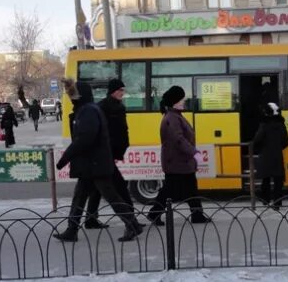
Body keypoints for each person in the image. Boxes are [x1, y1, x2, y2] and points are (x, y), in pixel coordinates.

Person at [53, 79, 142, 242]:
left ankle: (133, 225)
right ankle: (71, 230)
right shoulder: (86, 109)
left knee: (112, 197)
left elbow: (85, 139)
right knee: (79, 197)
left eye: (72, 94)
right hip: (91, 164)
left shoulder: (88, 111)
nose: (70, 97)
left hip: (95, 164)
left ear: (80, 95)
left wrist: (65, 158)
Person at [84, 79, 144, 229]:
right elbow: (102, 132)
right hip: (105, 153)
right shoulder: (102, 107)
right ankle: (131, 221)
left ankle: (90, 220)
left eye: (123, 90)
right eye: (120, 90)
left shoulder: (119, 106)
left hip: (110, 153)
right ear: (113, 91)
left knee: (95, 189)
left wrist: (120, 149)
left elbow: (122, 131)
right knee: (120, 188)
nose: (122, 93)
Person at [147, 86, 211, 225]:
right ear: (174, 101)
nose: (184, 101)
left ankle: (196, 215)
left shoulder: (175, 116)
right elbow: (179, 140)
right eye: (182, 99)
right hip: (176, 162)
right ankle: (155, 213)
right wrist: (195, 154)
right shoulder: (172, 118)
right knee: (172, 190)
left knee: (188, 188)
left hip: (180, 161)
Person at [253, 102, 288, 210]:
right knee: (278, 181)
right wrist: (278, 148)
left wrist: (260, 149)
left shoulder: (264, 125)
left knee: (266, 179)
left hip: (265, 156)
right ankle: (277, 203)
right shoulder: (281, 125)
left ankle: (266, 199)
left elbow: (257, 140)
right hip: (277, 155)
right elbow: (286, 141)